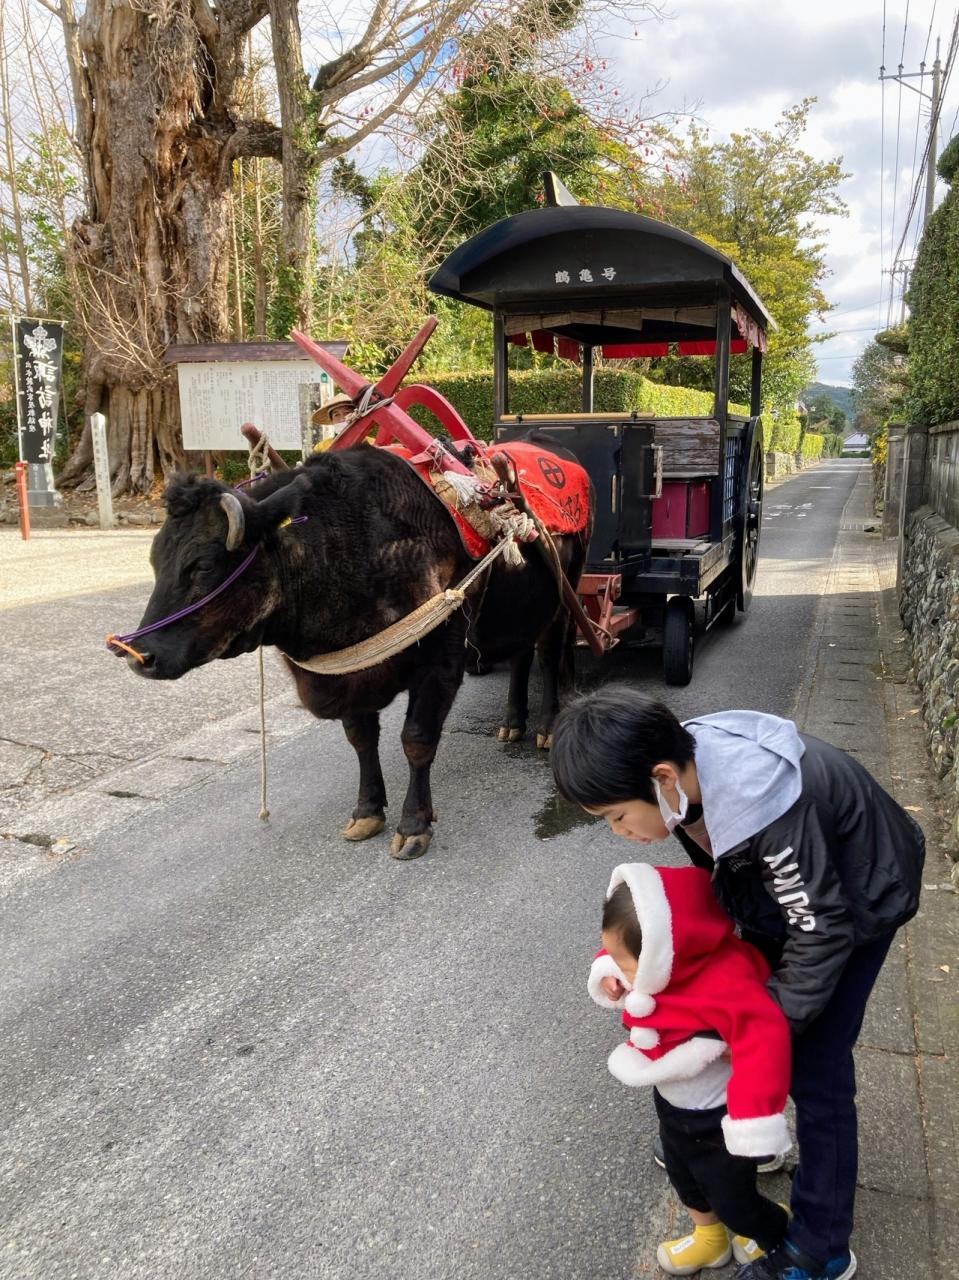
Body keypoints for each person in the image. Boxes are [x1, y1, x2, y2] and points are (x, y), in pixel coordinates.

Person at [552, 686, 925, 1280]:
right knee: (751, 1007)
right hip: (794, 897)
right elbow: (724, 884)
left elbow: (819, 930)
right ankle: (742, 1137)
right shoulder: (682, 781)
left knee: (815, 1063)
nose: (618, 832)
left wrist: (760, 1031)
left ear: (662, 776)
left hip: (860, 895)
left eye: (616, 816)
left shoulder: (768, 805)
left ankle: (821, 1247)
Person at [590, 861, 792, 1276]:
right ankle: (710, 1238)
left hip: (717, 1116)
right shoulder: (659, 960)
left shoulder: (726, 987)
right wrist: (610, 971)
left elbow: (765, 1041)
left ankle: (773, 1233)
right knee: (683, 1176)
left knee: (733, 1196)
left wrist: (754, 1122)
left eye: (625, 966)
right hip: (672, 1103)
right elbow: (620, 950)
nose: (623, 974)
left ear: (665, 953)